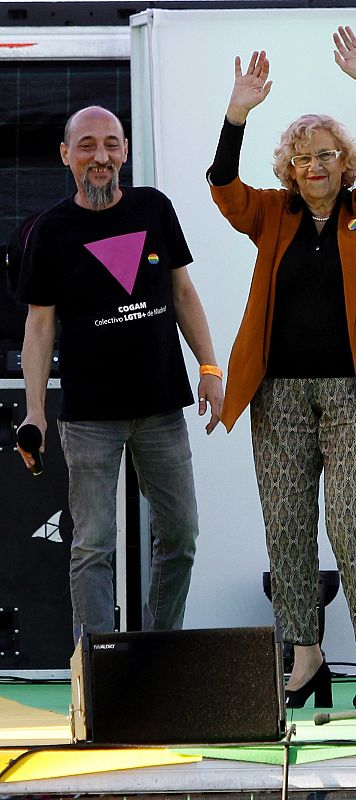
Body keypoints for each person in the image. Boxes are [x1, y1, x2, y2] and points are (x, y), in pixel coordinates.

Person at [207, 27, 356, 709]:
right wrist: (238, 113)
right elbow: (221, 185)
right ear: (290, 169)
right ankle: (304, 657)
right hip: (280, 397)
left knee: (355, 524)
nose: (316, 165)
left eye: (327, 153)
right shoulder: (270, 215)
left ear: (345, 161)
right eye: (303, 157)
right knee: (289, 525)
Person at [17, 106, 224, 643]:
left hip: (161, 407)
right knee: (92, 544)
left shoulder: (155, 208)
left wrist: (209, 365)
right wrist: (36, 410)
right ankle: (97, 669)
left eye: (111, 144)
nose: (101, 156)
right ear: (66, 155)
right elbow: (39, 327)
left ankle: (159, 650)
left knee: (181, 534)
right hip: (89, 417)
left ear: (125, 151)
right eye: (87, 145)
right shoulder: (50, 231)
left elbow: (182, 292)